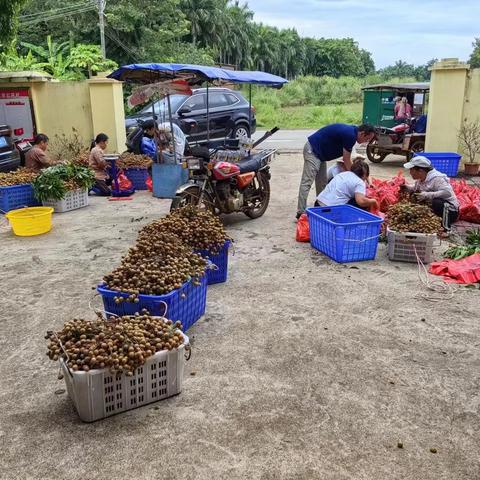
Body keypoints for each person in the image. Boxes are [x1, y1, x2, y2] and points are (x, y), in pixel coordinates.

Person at [296, 123, 376, 218]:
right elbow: (347, 160)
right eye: (366, 139)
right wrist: (357, 176)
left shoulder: (353, 132)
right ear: (362, 134)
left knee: (322, 182)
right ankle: (300, 212)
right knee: (307, 182)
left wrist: (363, 177)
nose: (365, 142)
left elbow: (356, 163)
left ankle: (321, 207)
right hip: (313, 150)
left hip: (321, 155)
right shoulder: (350, 135)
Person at [402, 156, 459, 229]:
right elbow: (416, 188)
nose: (410, 173)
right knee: (415, 196)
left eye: (411, 170)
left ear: (420, 171)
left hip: (450, 211)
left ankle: (446, 228)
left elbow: (447, 192)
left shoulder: (437, 178)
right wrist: (408, 188)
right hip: (434, 209)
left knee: (436, 202)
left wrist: (427, 195)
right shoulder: (421, 179)